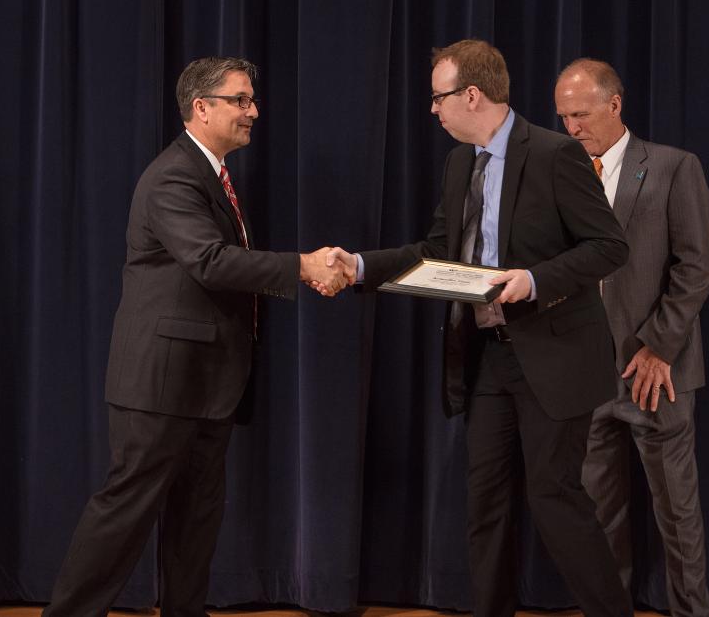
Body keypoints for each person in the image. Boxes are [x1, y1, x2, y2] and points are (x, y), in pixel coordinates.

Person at [324, 40, 632, 617]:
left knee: (554, 499)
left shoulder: (554, 155)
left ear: (471, 95)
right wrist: (359, 267)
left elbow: (609, 246)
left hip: (555, 355)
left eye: (437, 98)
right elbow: (438, 251)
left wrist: (535, 280)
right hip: (488, 355)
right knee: (485, 502)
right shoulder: (460, 162)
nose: (432, 110)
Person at [43, 56, 348, 617]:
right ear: (201, 107)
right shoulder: (174, 175)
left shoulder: (210, 173)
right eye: (240, 100)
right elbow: (210, 261)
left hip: (206, 383)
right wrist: (302, 265)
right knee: (125, 514)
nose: (253, 111)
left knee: (196, 518)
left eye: (252, 100)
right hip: (161, 384)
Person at [554, 58, 709, 616]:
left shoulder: (674, 167)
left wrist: (658, 346)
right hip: (587, 375)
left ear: (614, 104)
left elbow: (696, 266)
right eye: (563, 117)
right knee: (598, 515)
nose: (571, 127)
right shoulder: (561, 172)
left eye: (580, 114)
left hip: (657, 374)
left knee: (678, 514)